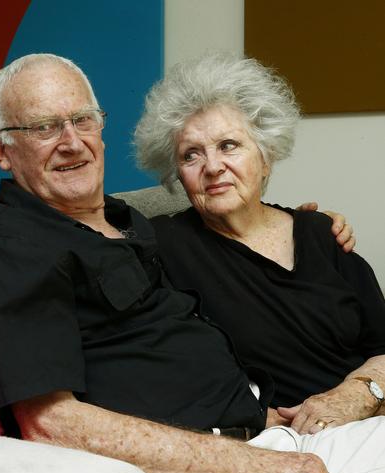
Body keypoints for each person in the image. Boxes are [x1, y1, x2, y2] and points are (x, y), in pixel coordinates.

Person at [0, 53, 385, 473]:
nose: (71, 141)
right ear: (1, 150)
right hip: (232, 461)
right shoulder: (13, 237)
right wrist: (261, 465)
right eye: (43, 127)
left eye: (82, 120)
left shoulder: (130, 225)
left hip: (275, 433)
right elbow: (50, 421)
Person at [135, 52, 385, 437]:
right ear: (176, 175)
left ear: (266, 157)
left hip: (368, 422)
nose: (213, 166)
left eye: (229, 145)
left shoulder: (322, 232)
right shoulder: (161, 246)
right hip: (282, 442)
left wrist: (359, 394)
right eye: (191, 154)